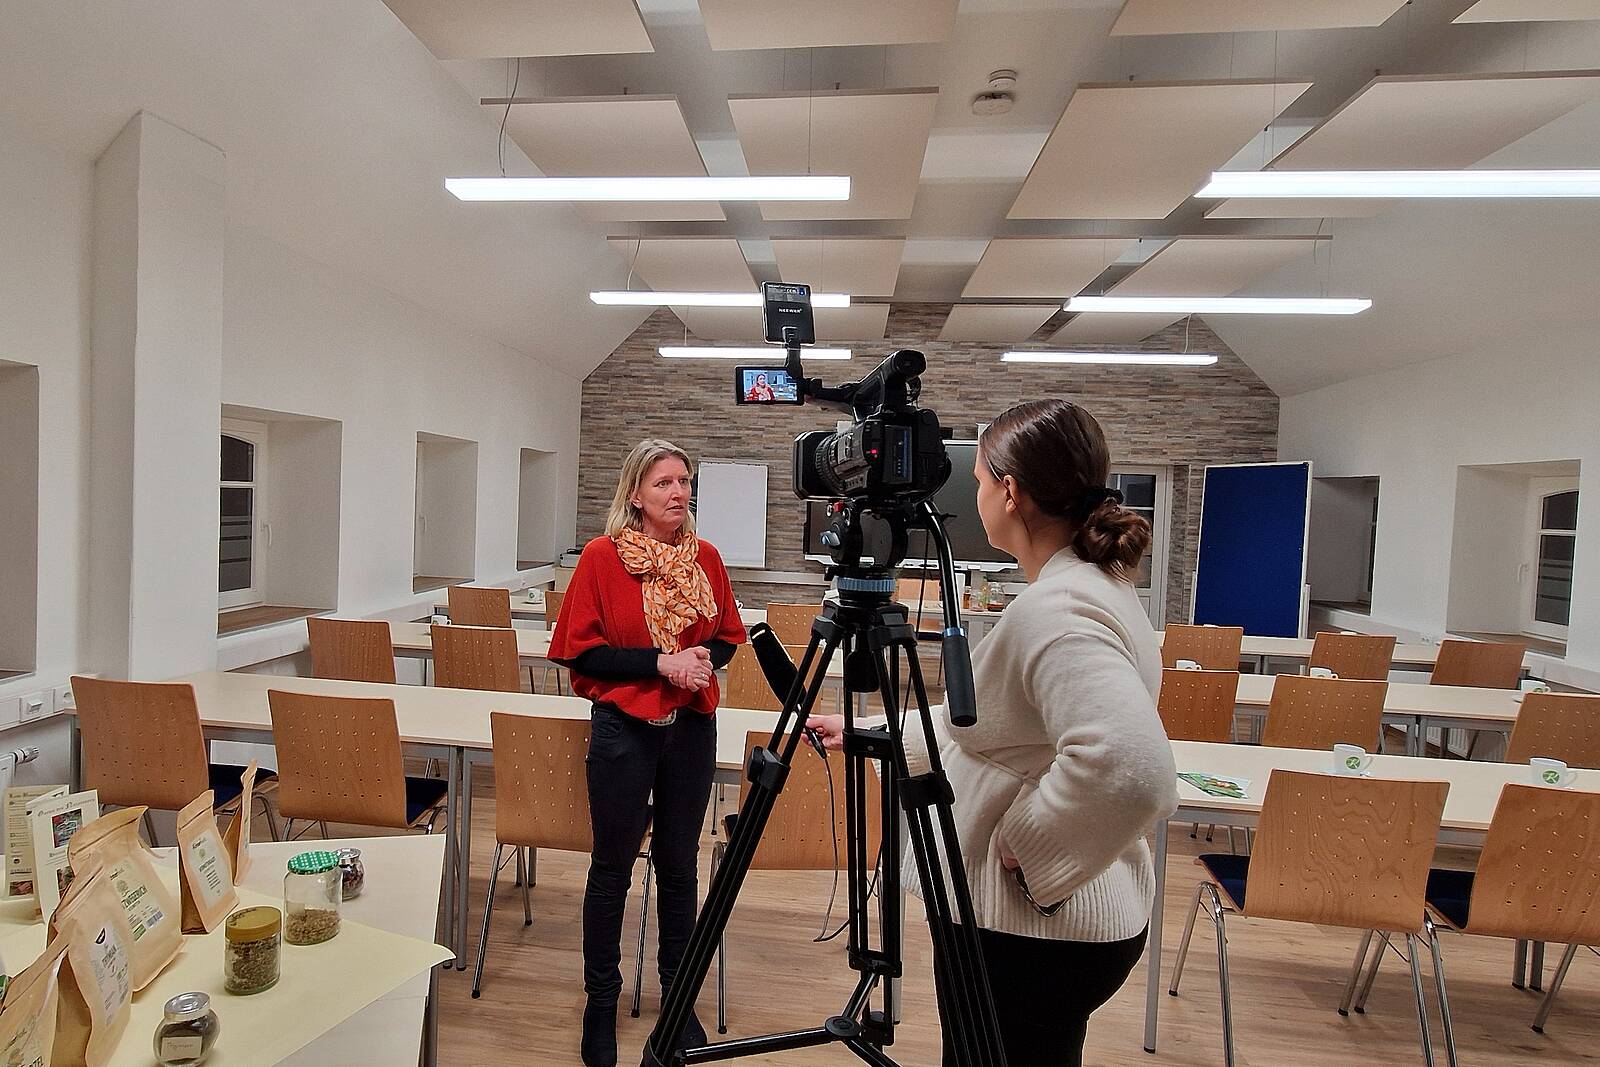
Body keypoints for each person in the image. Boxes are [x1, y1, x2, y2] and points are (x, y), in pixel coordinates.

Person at [808, 398, 1179, 1067]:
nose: (974, 497)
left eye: (978, 481)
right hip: (1056, 926)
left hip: (1030, 930)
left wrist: (1028, 847)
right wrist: (871, 729)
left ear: (1010, 492)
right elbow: (992, 730)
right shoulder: (1094, 585)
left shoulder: (1059, 611)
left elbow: (1132, 769)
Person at [548, 439, 747, 1067]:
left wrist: (699, 661)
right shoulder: (602, 558)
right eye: (664, 482)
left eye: (684, 481)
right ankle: (600, 1003)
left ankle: (678, 1002)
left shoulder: (705, 557)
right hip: (623, 730)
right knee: (612, 868)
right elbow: (584, 654)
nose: (678, 492)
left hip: (690, 728)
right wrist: (663, 663)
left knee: (679, 866)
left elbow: (727, 636)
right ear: (635, 494)